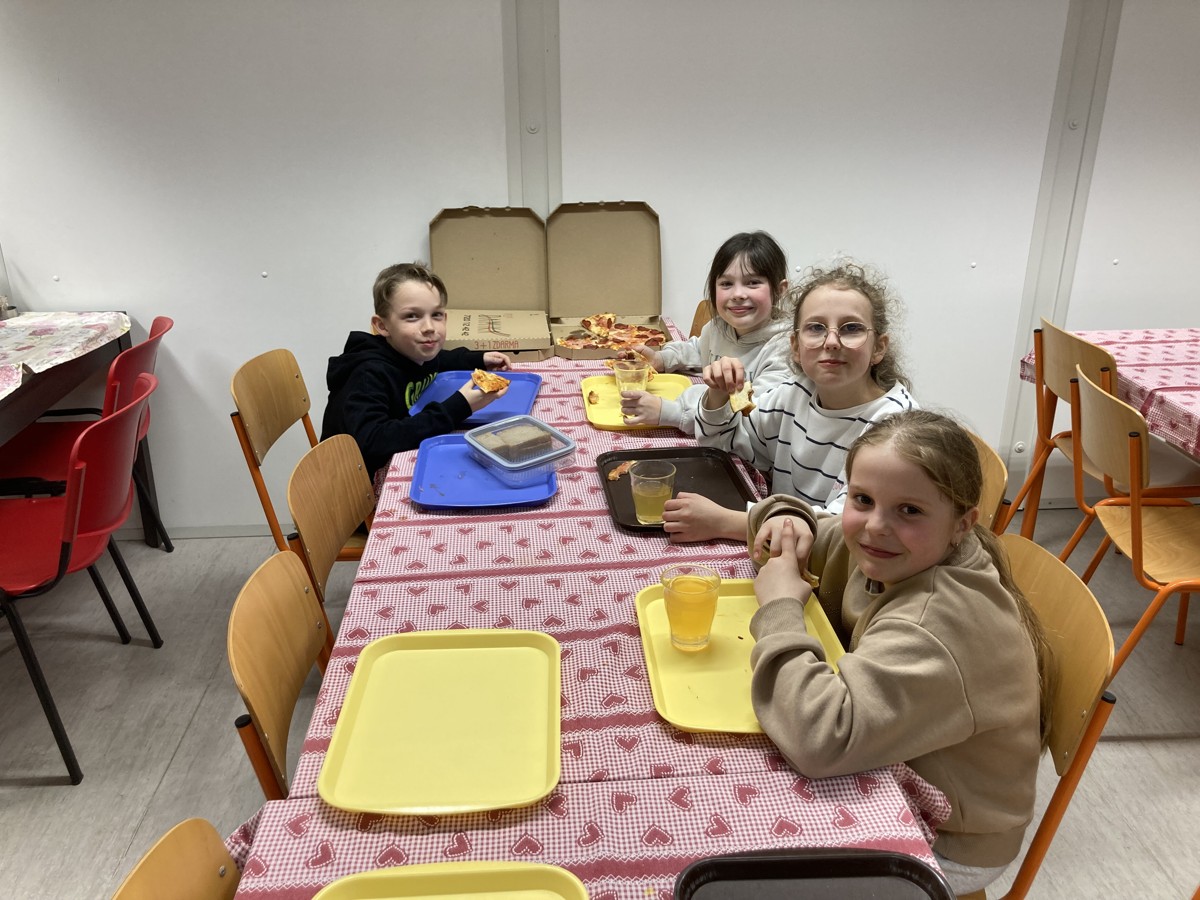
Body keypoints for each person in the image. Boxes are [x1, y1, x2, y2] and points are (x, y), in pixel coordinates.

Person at [748, 410, 1052, 896]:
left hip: (945, 839)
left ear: (962, 524)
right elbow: (826, 533)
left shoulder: (936, 622)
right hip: (900, 764)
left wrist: (780, 608)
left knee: (748, 860)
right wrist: (786, 518)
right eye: (862, 499)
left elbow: (820, 738)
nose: (875, 527)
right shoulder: (902, 551)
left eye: (909, 510)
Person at [667, 257, 917, 543]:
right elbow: (723, 445)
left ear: (879, 348)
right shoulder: (795, 393)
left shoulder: (894, 429)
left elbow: (846, 532)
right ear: (796, 347)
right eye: (816, 328)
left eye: (851, 328)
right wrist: (718, 395)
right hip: (781, 546)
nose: (831, 342)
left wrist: (725, 522)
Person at [321, 262, 512, 479]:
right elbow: (374, 440)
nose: (429, 327)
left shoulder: (414, 351)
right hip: (353, 481)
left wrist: (478, 359)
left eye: (436, 315)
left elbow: (440, 360)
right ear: (382, 326)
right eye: (412, 316)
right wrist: (458, 407)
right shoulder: (367, 374)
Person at [617, 231, 793, 435]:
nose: (738, 294)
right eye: (726, 284)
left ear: (780, 289)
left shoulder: (786, 350)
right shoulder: (718, 327)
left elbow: (753, 415)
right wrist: (660, 359)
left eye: (752, 282)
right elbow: (696, 349)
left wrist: (670, 413)